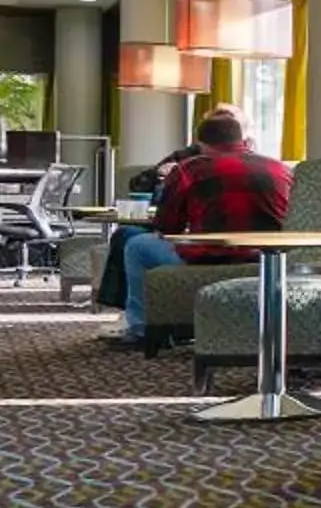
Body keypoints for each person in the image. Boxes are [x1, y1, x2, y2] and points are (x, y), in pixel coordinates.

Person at [113, 109, 289, 346]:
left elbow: (166, 228)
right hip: (269, 261)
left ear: (202, 144)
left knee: (135, 245)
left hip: (210, 258)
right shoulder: (280, 169)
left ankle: (143, 329)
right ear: (242, 139)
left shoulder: (189, 169)